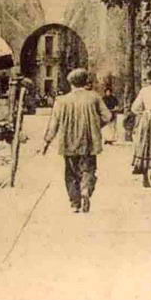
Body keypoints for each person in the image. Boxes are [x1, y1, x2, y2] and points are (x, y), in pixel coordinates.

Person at [39, 68, 113, 213]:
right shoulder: (94, 97)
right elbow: (108, 116)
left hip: (68, 141)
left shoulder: (61, 100)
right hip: (89, 141)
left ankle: (75, 203)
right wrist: (96, 125)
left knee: (70, 172)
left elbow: (54, 124)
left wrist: (46, 142)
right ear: (85, 81)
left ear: (70, 83)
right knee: (88, 168)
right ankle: (86, 190)